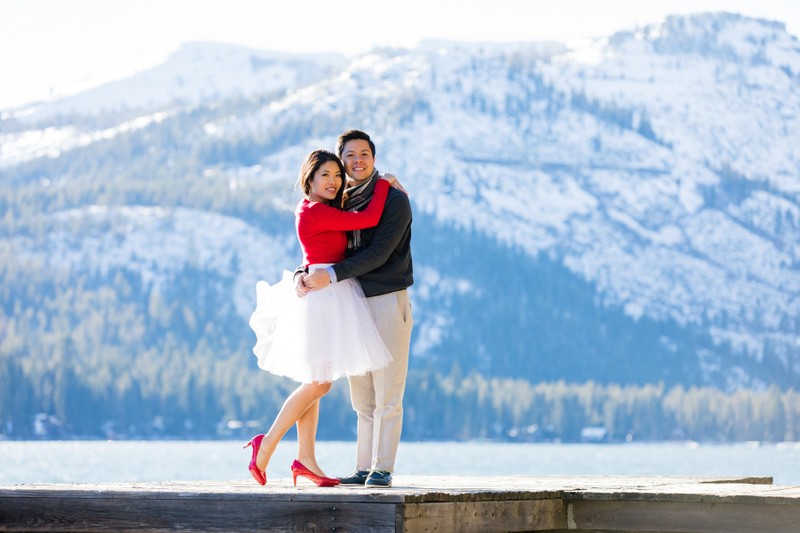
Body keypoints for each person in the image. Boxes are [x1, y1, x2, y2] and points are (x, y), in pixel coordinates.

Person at [244, 149, 401, 487]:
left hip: (326, 293)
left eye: (336, 175)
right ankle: (267, 444)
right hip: (322, 297)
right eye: (324, 175)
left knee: (315, 380)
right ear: (309, 179)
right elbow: (369, 219)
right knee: (320, 383)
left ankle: (306, 459)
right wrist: (386, 184)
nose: (332, 181)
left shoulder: (321, 209)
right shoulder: (316, 211)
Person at [298, 130, 413, 488]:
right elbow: (324, 244)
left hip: (386, 299)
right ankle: (363, 467)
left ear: (374, 159)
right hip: (351, 304)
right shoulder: (341, 199)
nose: (358, 160)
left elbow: (377, 253)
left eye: (365, 153)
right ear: (342, 161)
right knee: (362, 394)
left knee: (388, 393)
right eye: (350, 155)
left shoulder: (395, 200)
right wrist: (305, 273)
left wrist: (329, 276)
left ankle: (383, 468)